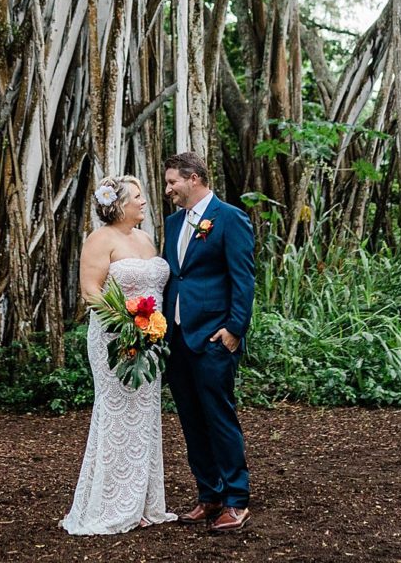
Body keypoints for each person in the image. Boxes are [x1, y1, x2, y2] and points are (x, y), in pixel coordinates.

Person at [60, 175, 177, 535]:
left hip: (150, 342)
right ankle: (110, 503)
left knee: (144, 418)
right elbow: (90, 292)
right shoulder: (100, 239)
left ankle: (141, 502)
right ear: (119, 204)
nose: (144, 202)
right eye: (138, 197)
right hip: (115, 341)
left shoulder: (145, 239)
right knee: (116, 415)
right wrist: (127, 321)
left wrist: (150, 326)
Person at [161, 151, 255, 534]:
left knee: (219, 418)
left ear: (194, 178)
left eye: (173, 182)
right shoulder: (172, 224)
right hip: (177, 338)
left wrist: (235, 329)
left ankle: (236, 499)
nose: (168, 189)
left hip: (214, 337)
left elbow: (243, 278)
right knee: (191, 421)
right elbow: (175, 278)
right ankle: (209, 494)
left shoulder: (230, 218)